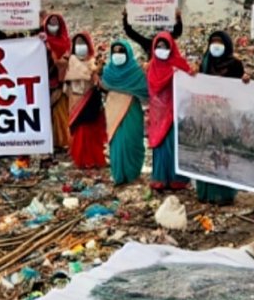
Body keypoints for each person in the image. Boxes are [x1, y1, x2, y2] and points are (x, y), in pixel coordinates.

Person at [195, 31, 246, 205]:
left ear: (227, 45)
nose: (215, 46)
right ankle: (205, 192)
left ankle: (223, 194)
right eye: (213, 42)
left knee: (223, 153)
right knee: (206, 151)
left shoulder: (235, 64)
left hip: (225, 115)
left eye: (220, 42)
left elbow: (240, 88)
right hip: (207, 114)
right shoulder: (205, 62)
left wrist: (245, 80)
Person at [147, 32, 191, 191]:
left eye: (165, 46)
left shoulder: (179, 64)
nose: (161, 49)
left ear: (171, 47)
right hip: (158, 113)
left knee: (174, 144)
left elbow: (189, 82)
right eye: (158, 46)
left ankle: (176, 179)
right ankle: (160, 178)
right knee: (160, 145)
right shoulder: (152, 66)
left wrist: (191, 73)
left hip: (176, 112)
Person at [101, 39, 148, 185]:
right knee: (117, 143)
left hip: (131, 110)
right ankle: (119, 175)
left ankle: (133, 173)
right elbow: (103, 86)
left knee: (132, 141)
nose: (118, 54)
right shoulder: (108, 72)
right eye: (115, 52)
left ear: (128, 53)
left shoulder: (136, 72)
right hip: (113, 110)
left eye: (121, 51)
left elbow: (146, 91)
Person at [64, 32, 107, 169]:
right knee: (80, 130)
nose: (80, 46)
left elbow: (98, 81)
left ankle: (93, 158)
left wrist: (98, 71)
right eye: (78, 43)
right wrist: (92, 71)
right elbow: (72, 77)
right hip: (76, 100)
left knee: (92, 130)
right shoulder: (71, 61)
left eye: (83, 43)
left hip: (90, 99)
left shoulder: (93, 61)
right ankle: (82, 159)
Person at [42, 12, 71, 152]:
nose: (53, 26)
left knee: (59, 114)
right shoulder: (41, 42)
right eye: (50, 23)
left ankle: (60, 142)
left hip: (60, 83)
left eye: (56, 23)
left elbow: (69, 60)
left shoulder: (66, 42)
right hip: (43, 82)